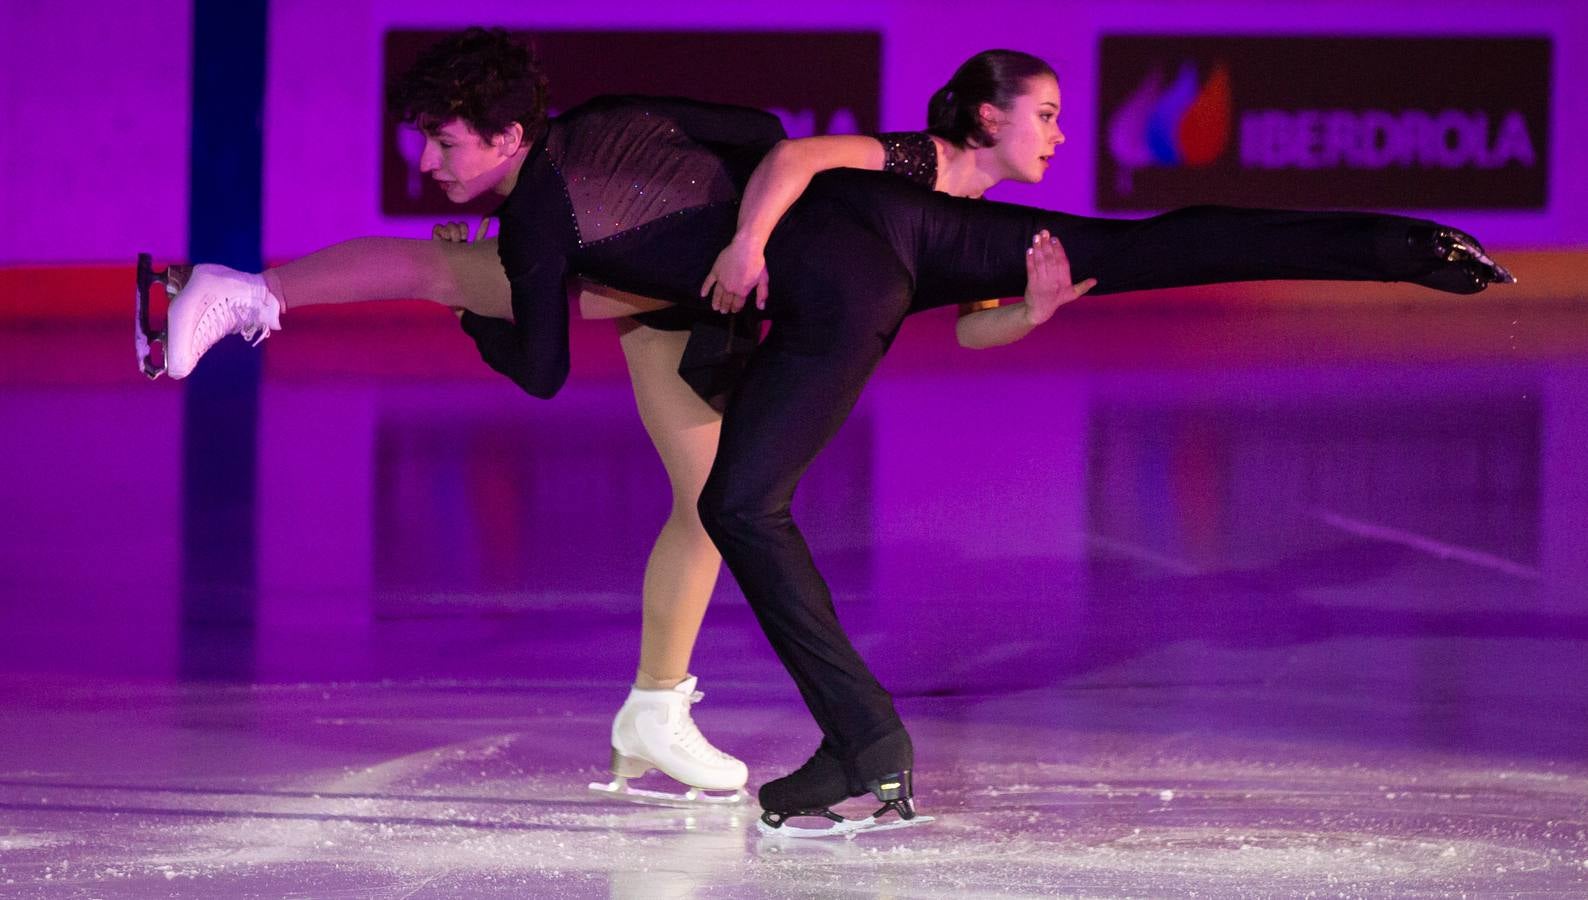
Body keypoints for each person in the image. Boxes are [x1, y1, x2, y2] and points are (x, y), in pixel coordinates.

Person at [140, 28, 1513, 836]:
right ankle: (245, 289)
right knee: (580, 375)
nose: (1054, 131)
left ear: (500, 134)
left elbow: (825, 217)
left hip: (776, 299)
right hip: (756, 291)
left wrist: (1015, 311)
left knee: (721, 502)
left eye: (443, 143)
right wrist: (737, 228)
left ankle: (745, 724)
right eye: (1040, 113)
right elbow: (776, 142)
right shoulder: (895, 156)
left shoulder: (921, 181)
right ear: (981, 113)